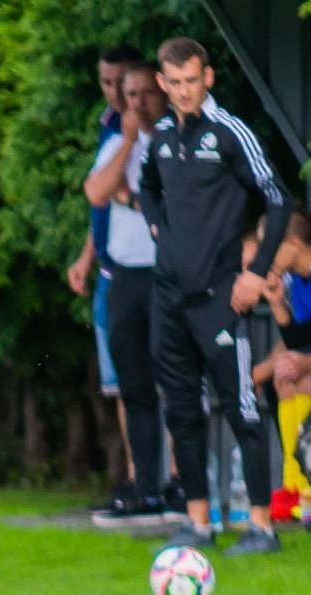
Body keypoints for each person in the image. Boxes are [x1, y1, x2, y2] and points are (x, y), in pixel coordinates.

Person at [141, 36, 292, 554]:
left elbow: (278, 198)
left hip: (220, 297)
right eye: (175, 82)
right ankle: (198, 523)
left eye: (192, 80)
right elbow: (146, 187)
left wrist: (257, 273)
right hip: (168, 296)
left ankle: (261, 527)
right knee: (182, 409)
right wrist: (158, 227)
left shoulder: (230, 133)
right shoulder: (161, 137)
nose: (184, 91)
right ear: (162, 82)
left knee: (241, 408)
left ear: (207, 77)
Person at [84, 62, 167, 527]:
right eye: (130, 95)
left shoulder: (175, 141)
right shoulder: (119, 142)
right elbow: (97, 192)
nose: (136, 103)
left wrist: (131, 197)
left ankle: (181, 484)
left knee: (174, 382)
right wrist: (130, 142)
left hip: (165, 274)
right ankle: (145, 485)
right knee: (132, 386)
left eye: (145, 93)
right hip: (125, 276)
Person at [73, 44, 144, 515]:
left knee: (152, 382)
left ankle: (164, 479)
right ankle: (137, 478)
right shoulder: (108, 125)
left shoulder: (143, 129)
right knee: (120, 384)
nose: (114, 92)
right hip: (109, 270)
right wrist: (86, 255)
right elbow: (100, 196)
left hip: (143, 273)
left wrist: (130, 140)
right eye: (106, 82)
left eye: (121, 82)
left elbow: (115, 192)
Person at [253, 209, 311, 520]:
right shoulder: (297, 281)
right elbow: (299, 339)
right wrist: (277, 303)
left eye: (270, 245)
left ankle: (307, 488)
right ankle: (294, 485)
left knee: (303, 378)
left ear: (293, 244)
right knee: (285, 377)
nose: (265, 256)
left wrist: (306, 362)